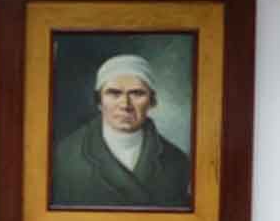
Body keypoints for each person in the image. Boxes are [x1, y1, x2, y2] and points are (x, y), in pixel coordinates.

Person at [50, 53, 193, 208]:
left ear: (152, 101)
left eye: (137, 93)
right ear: (99, 102)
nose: (125, 105)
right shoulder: (65, 156)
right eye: (114, 93)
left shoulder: (177, 162)